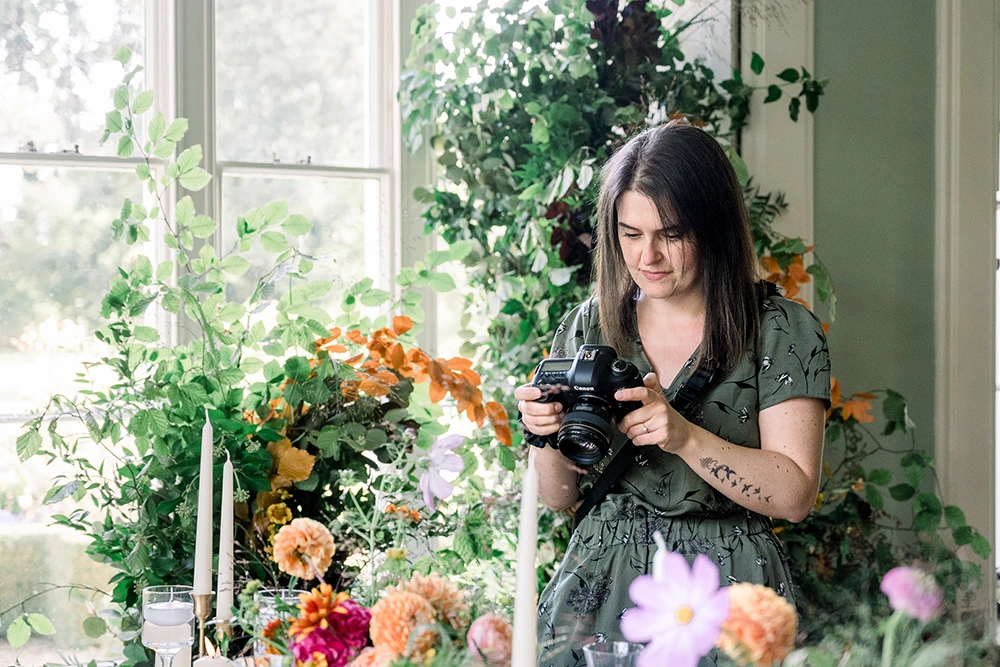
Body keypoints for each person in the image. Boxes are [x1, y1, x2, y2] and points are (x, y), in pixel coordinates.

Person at [515, 121, 831, 666]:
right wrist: (544, 434)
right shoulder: (589, 328)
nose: (648, 256)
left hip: (728, 586)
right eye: (630, 233)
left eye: (672, 233)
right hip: (600, 580)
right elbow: (559, 497)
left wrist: (685, 437)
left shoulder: (778, 329)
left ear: (714, 226)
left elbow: (795, 495)